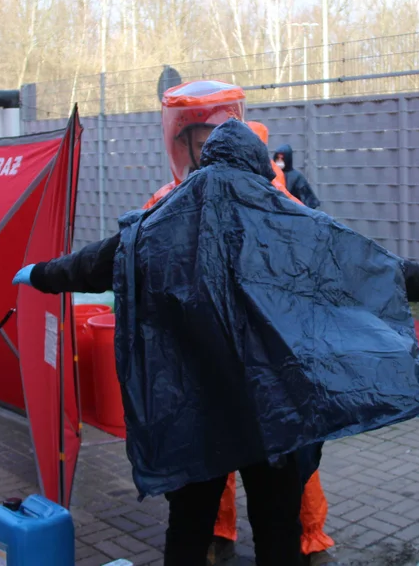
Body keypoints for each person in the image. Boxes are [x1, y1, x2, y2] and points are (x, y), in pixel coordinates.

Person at [14, 118, 419, 565]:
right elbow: (378, 267)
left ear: (206, 161)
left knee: (189, 524)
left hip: (192, 408)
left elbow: (90, 264)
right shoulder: (290, 222)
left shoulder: (154, 225)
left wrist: (39, 274)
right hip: (272, 405)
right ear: (260, 166)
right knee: (277, 524)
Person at [141, 82, 333, 564]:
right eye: (201, 145)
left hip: (249, 389)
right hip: (224, 389)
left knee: (270, 507)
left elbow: (336, 261)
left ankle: (299, 536)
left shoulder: (274, 206)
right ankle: (229, 533)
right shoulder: (167, 207)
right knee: (219, 509)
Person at [273, 144, 321, 210]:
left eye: (282, 159)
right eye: (277, 159)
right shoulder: (271, 175)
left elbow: (310, 201)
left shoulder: (297, 177)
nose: (279, 161)